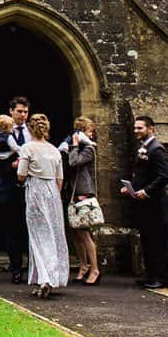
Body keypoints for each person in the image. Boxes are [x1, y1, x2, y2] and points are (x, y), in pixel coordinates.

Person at [121, 113, 168, 288]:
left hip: (157, 205)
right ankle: (151, 276)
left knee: (159, 242)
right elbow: (142, 174)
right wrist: (131, 188)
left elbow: (164, 177)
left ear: (150, 129)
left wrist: (147, 191)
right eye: (135, 127)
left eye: (139, 128)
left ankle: (162, 278)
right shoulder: (142, 148)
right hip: (145, 206)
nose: (136, 130)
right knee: (147, 242)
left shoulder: (156, 149)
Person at [19, 113, 69, 298]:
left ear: (30, 128)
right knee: (53, 234)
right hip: (52, 193)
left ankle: (45, 278)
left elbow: (21, 175)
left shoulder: (27, 148)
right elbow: (60, 179)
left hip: (36, 190)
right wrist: (54, 194)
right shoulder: (55, 150)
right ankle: (47, 277)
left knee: (38, 235)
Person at [0, 97, 31, 283]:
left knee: (32, 228)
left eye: (26, 112)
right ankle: (16, 269)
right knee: (13, 229)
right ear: (11, 111)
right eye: (19, 111)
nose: (23, 115)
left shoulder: (32, 132)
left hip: (30, 186)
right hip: (8, 186)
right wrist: (10, 166)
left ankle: (35, 269)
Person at [62, 116, 103, 286]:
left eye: (90, 131)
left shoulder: (88, 150)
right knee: (76, 234)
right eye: (88, 131)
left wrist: (75, 146)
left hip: (83, 192)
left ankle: (94, 269)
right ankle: (83, 265)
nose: (90, 135)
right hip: (72, 193)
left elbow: (73, 162)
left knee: (85, 234)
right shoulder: (77, 147)